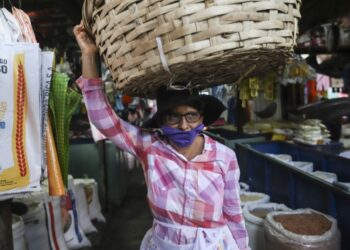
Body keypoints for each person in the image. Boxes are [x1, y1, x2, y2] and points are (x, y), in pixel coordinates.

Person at [73, 22, 250, 250]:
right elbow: (103, 120)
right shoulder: (151, 147)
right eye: (174, 118)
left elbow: (234, 214)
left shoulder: (225, 157)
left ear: (202, 116)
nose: (184, 126)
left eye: (191, 116)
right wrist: (88, 55)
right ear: (161, 120)